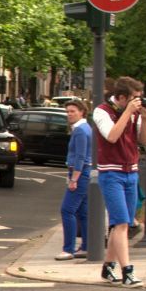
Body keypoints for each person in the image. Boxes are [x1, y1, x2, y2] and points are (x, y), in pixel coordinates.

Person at [91, 76, 146, 287]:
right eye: (134, 99)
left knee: (120, 224)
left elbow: (144, 140)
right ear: (122, 97)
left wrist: (145, 118)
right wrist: (127, 114)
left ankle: (107, 268)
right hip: (111, 173)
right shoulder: (101, 111)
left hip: (131, 172)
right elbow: (112, 136)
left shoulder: (133, 114)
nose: (137, 102)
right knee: (122, 223)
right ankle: (127, 272)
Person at [54, 99, 92, 260]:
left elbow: (80, 156)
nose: (69, 114)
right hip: (86, 173)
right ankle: (86, 246)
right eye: (67, 111)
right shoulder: (85, 128)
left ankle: (68, 249)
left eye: (72, 111)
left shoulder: (80, 131)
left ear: (82, 112)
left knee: (67, 210)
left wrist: (74, 179)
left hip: (80, 174)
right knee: (82, 212)